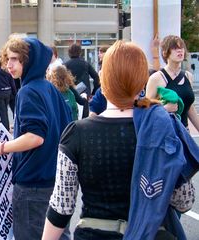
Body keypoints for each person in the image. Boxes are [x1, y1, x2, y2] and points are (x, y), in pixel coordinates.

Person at [42, 41, 197, 240]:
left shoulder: (77, 133)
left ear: (104, 81)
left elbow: (61, 206)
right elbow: (184, 200)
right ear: (142, 82)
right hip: (149, 233)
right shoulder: (161, 128)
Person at [0, 37, 72, 240]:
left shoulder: (28, 91)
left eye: (15, 59)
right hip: (54, 181)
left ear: (28, 61)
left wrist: (2, 147)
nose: (9, 65)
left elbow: (36, 137)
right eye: (7, 59)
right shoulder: (49, 88)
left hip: (33, 185)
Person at [146, 35, 199, 132]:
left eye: (181, 47)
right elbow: (146, 111)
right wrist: (164, 108)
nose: (180, 51)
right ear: (165, 53)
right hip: (166, 134)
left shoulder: (188, 76)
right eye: (175, 48)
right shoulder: (156, 78)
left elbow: (189, 107)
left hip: (184, 133)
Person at [0, 56, 16, 131]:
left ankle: (5, 127)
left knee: (2, 111)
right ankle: (5, 125)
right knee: (5, 110)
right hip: (8, 92)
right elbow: (12, 84)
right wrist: (14, 93)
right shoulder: (8, 71)